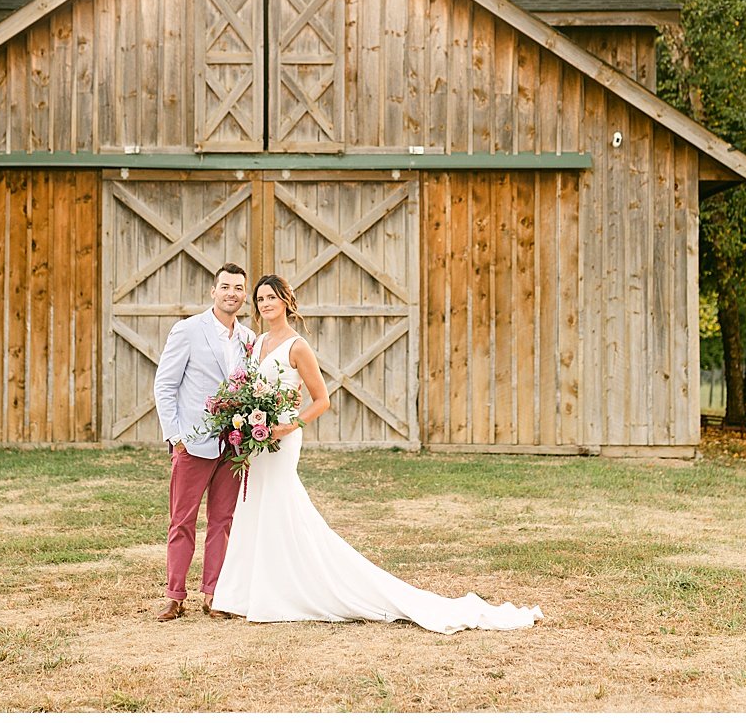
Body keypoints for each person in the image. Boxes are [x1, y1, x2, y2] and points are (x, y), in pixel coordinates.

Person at [211, 274, 543, 634]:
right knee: (254, 506)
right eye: (259, 299)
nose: (264, 304)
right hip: (258, 440)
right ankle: (243, 593)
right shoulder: (257, 342)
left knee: (279, 504)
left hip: (283, 438)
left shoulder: (297, 346)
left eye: (271, 297)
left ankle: (285, 591)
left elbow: (322, 400)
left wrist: (289, 425)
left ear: (287, 302)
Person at [151, 262, 256, 621]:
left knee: (222, 521)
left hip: (233, 445)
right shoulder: (188, 330)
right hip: (192, 444)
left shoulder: (248, 339)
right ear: (213, 291)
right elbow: (165, 385)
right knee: (182, 520)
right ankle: (174, 596)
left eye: (239, 288)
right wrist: (176, 437)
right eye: (225, 286)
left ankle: (214, 594)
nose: (232, 293)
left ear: (244, 295)